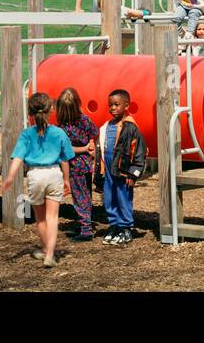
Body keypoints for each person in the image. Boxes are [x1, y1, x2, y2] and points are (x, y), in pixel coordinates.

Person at [0, 92, 74, 268]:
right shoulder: (59, 133)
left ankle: (45, 248)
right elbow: (65, 159)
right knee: (53, 217)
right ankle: (49, 254)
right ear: (51, 111)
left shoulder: (26, 135)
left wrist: (10, 177)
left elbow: (18, 157)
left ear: (30, 114)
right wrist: (67, 180)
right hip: (54, 174)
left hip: (35, 176)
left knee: (40, 219)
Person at [95, 89, 148, 245]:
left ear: (126, 105)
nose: (112, 108)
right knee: (109, 198)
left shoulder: (130, 127)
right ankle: (114, 226)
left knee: (123, 198)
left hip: (123, 171)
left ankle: (125, 229)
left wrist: (133, 174)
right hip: (109, 170)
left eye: (116, 104)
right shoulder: (106, 126)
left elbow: (139, 151)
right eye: (110, 105)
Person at [55, 88, 99, 241]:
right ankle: (84, 224)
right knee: (86, 195)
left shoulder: (63, 127)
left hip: (75, 167)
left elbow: (66, 150)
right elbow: (95, 133)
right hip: (86, 165)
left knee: (80, 197)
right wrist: (91, 148)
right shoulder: (85, 119)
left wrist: (84, 148)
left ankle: (86, 230)